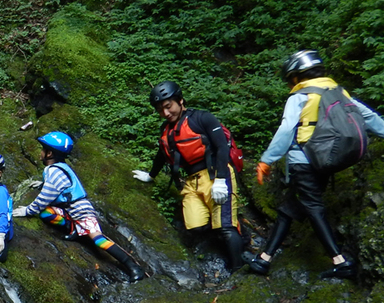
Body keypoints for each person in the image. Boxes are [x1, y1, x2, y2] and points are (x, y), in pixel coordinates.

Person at [246, 50, 384, 279]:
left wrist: (266, 160)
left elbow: (286, 129)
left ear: (295, 76)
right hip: (325, 160)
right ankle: (264, 259)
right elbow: (368, 117)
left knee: (312, 206)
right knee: (289, 207)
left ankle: (340, 261)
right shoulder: (337, 91)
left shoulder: (300, 96)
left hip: (304, 161)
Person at [131, 81, 244, 271]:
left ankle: (238, 267)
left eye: (169, 106)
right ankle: (223, 231)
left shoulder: (202, 118)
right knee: (195, 226)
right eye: (160, 110)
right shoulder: (166, 130)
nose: (166, 113)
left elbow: (221, 147)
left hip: (215, 174)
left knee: (226, 227)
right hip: (192, 182)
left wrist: (220, 180)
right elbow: (162, 154)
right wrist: (151, 176)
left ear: (180, 101)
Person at [15, 132, 144, 281]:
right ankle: (74, 228)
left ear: (49, 153)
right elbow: (57, 187)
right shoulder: (58, 168)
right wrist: (42, 184)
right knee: (46, 213)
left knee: (98, 240)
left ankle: (132, 266)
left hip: (81, 211)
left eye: (43, 150)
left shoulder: (54, 171)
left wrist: (28, 210)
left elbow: (45, 197)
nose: (41, 153)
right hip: (69, 210)